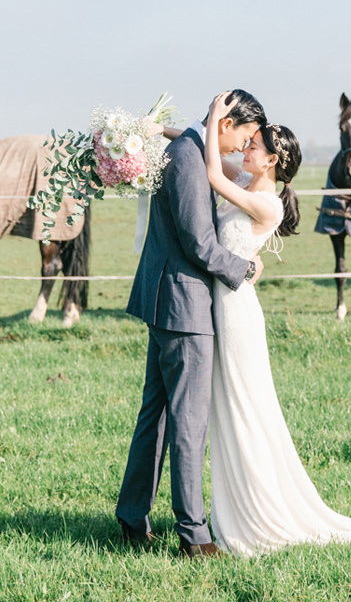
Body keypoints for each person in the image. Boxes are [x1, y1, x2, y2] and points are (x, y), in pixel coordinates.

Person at [199, 92, 351, 557]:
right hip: (223, 305)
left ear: (272, 160)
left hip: (238, 313)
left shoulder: (268, 203)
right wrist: (153, 135)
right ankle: (235, 506)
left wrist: (214, 120)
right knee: (229, 411)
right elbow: (207, 159)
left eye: (254, 145)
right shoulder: (248, 179)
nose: (244, 148)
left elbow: (208, 171)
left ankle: (257, 513)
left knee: (247, 409)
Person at [115, 89, 267, 558]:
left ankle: (132, 516)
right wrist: (243, 270)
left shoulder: (188, 150)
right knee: (188, 422)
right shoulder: (186, 160)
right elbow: (200, 243)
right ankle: (194, 535)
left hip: (170, 303)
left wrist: (166, 127)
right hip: (183, 307)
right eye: (243, 135)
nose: (243, 148)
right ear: (224, 124)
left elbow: (200, 146)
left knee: (157, 416)